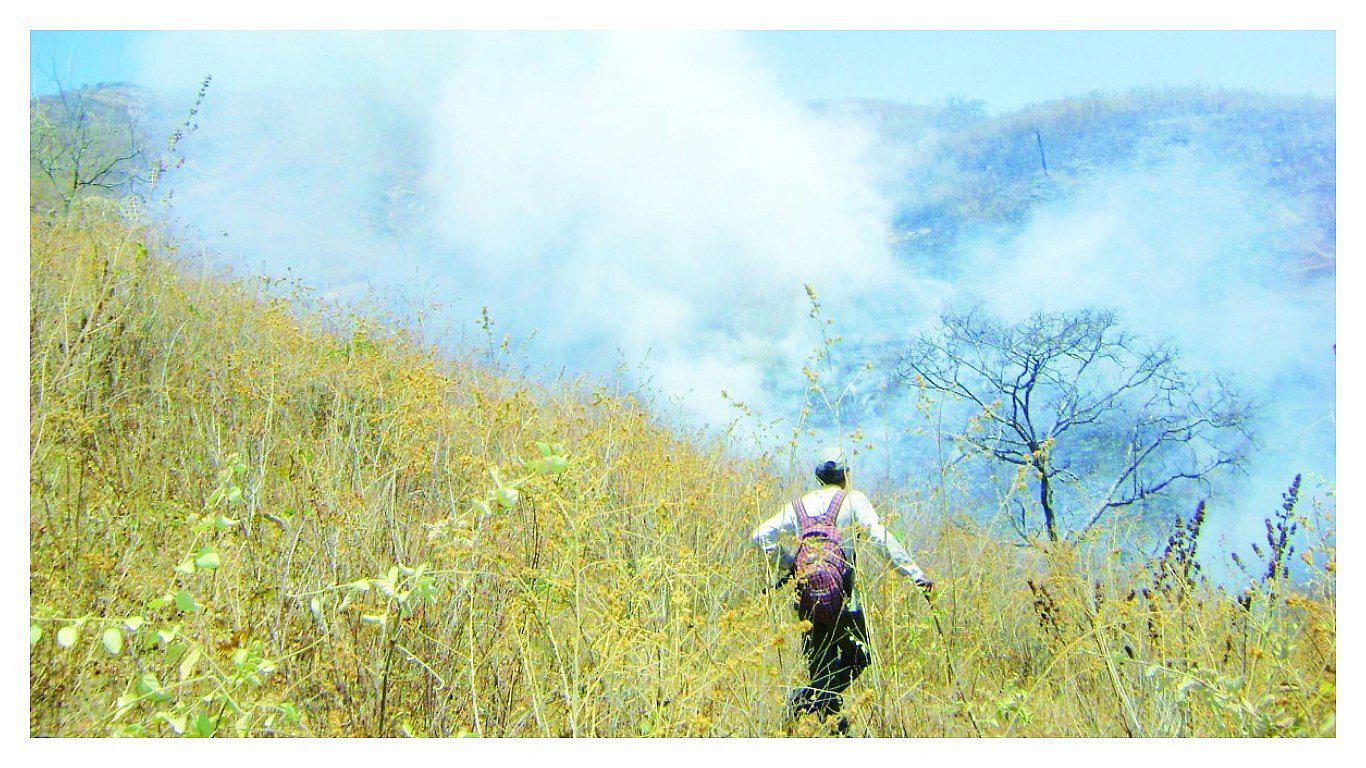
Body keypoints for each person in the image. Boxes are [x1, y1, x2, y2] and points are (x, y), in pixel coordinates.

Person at [750, 447, 933, 732]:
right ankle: (807, 701)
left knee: (820, 663)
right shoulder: (853, 500)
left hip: (806, 598)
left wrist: (790, 564)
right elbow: (880, 538)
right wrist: (915, 575)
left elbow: (760, 536)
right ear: (846, 475)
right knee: (860, 655)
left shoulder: (798, 505)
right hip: (844, 598)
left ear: (819, 477)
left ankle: (821, 713)